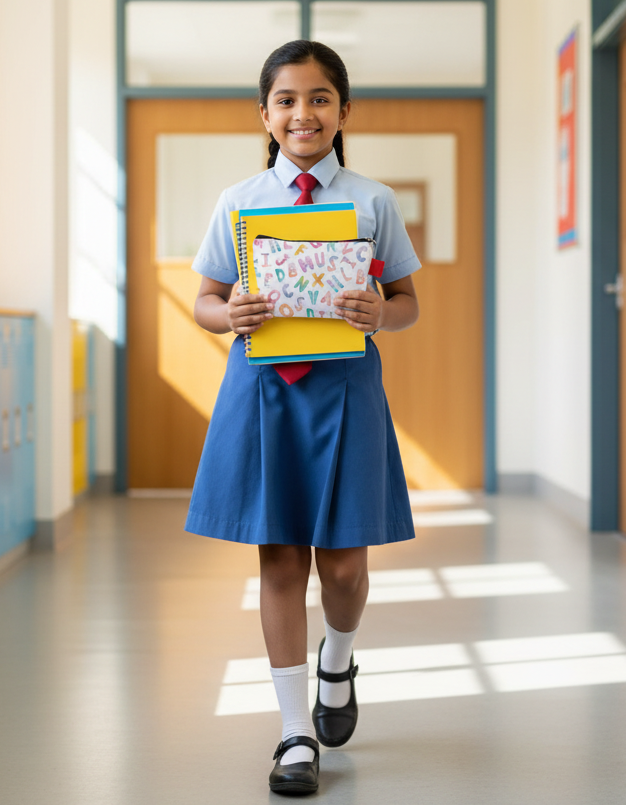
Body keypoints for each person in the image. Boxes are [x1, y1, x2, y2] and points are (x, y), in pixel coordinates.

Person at [185, 39, 421, 795]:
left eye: (319, 98)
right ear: (265, 115)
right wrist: (230, 314)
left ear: (344, 112)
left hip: (345, 390)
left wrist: (381, 311)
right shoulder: (239, 201)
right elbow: (203, 301)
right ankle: (293, 734)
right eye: (286, 100)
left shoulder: (373, 201)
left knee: (345, 566)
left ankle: (337, 659)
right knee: (280, 559)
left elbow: (411, 304)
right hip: (264, 396)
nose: (302, 113)